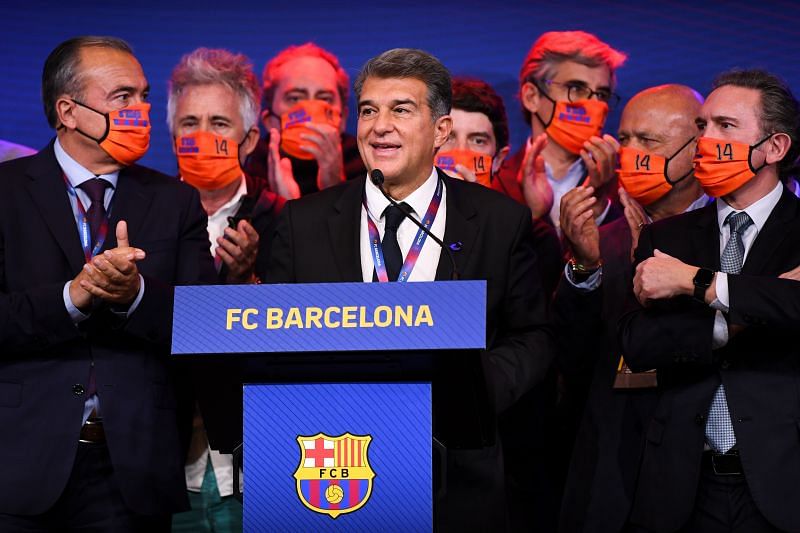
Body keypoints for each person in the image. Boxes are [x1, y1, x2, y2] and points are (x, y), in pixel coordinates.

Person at [264, 48, 553, 531]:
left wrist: (478, 391)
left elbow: (533, 336)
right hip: (333, 472)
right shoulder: (303, 222)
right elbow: (273, 341)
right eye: (369, 110)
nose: (380, 126)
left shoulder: (499, 221)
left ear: (440, 130)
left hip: (457, 477)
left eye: (401, 109)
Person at [0, 36, 216, 530]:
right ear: (68, 111)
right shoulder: (6, 194)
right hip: (18, 462)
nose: (141, 110)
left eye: (143, 97)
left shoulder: (173, 201)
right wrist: (71, 298)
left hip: (131, 471)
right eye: (123, 98)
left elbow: (202, 321)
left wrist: (134, 296)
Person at [620, 69, 800, 532]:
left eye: (725, 127)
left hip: (785, 479)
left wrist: (694, 283)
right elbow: (638, 344)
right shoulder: (665, 237)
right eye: (702, 127)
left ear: (775, 148)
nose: (706, 140)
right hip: (682, 483)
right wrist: (742, 315)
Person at [554, 84, 708, 532]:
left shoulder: (728, 242)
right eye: (624, 139)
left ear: (697, 151)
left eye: (649, 141)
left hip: (699, 478)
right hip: (609, 479)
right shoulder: (604, 236)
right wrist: (583, 265)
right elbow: (572, 360)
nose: (630, 153)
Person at [166, 47, 285, 533]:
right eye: (189, 124)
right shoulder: (141, 217)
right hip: (168, 465)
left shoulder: (285, 220)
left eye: (219, 124)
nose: (202, 138)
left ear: (250, 137)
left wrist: (250, 284)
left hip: (260, 464)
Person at [493, 31, 627, 233]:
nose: (594, 104)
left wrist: (599, 208)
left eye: (602, 94)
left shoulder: (622, 186)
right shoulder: (496, 184)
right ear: (532, 97)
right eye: (576, 88)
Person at [243, 42, 366, 198]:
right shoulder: (246, 177)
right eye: (295, 98)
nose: (311, 108)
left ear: (342, 120)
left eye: (324, 99)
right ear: (269, 121)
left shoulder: (372, 171)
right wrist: (280, 205)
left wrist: (336, 187)